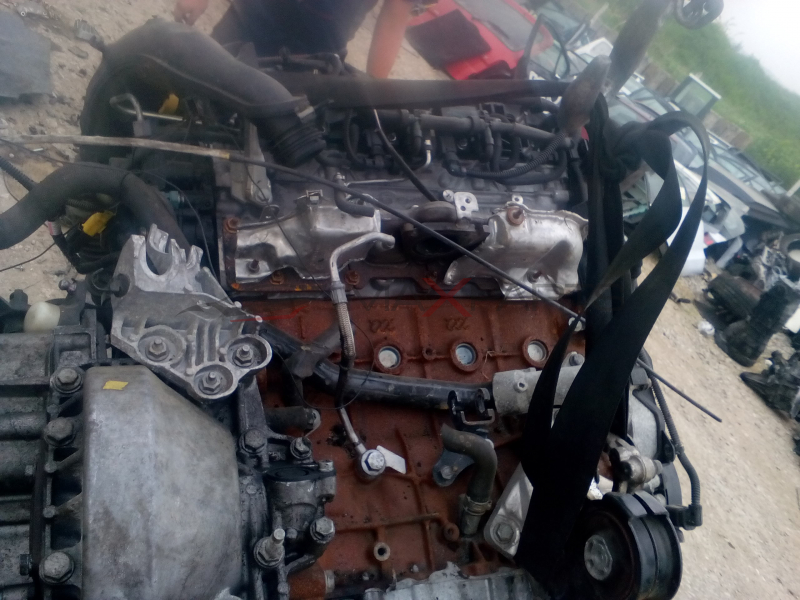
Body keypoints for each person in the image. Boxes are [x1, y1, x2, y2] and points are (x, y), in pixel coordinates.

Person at [173, 0, 423, 77]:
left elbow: (396, 11)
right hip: (248, 22)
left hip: (315, 60)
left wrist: (374, 93)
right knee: (193, 94)